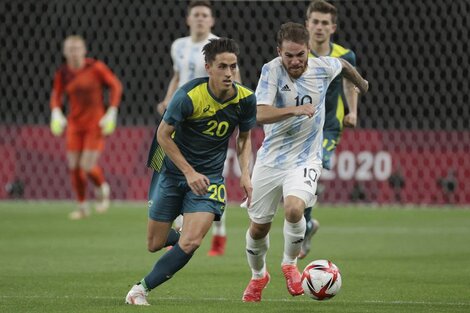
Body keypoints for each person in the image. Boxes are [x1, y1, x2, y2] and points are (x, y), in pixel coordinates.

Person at [242, 22, 368, 302]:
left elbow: (344, 65)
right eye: (289, 55)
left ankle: (290, 265)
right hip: (271, 159)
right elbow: (260, 114)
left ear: (309, 50)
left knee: (294, 209)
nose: (295, 61)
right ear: (279, 52)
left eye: (300, 55)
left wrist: (361, 83)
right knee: (258, 227)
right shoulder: (271, 70)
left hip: (306, 158)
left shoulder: (323, 66)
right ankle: (258, 275)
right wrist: (295, 110)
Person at [126, 38, 257, 306]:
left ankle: (140, 290)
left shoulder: (246, 99)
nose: (229, 73)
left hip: (209, 180)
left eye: (233, 66)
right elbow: (163, 136)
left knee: (192, 242)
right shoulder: (188, 96)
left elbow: (244, 139)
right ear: (208, 67)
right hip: (173, 173)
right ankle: (177, 230)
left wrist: (246, 173)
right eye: (223, 66)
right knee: (154, 243)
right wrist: (188, 172)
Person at [157, 0, 241, 256]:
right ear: (188, 19)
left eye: (205, 15)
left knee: (209, 179)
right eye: (197, 15)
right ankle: (182, 223)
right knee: (173, 169)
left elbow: (233, 80)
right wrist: (168, 99)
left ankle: (218, 234)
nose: (201, 19)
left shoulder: (217, 47)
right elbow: (176, 75)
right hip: (182, 114)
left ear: (212, 20)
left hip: (208, 118)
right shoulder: (178, 46)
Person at [300, 0, 361, 259]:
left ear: (333, 27)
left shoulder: (344, 56)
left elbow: (351, 84)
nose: (320, 27)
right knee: (302, 180)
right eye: (315, 21)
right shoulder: (297, 54)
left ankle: (305, 227)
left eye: (325, 23)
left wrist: (353, 110)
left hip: (329, 128)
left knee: (316, 165)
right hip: (301, 128)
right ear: (307, 24)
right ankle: (307, 226)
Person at [49, 35, 122, 220]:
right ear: (65, 52)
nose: (74, 53)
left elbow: (115, 86)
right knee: (73, 166)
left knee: (87, 166)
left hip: (95, 123)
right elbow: (56, 95)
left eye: (77, 48)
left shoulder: (95, 68)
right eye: (70, 49)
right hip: (74, 124)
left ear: (84, 50)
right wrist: (56, 112)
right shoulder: (63, 73)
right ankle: (82, 207)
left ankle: (102, 187)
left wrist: (112, 110)